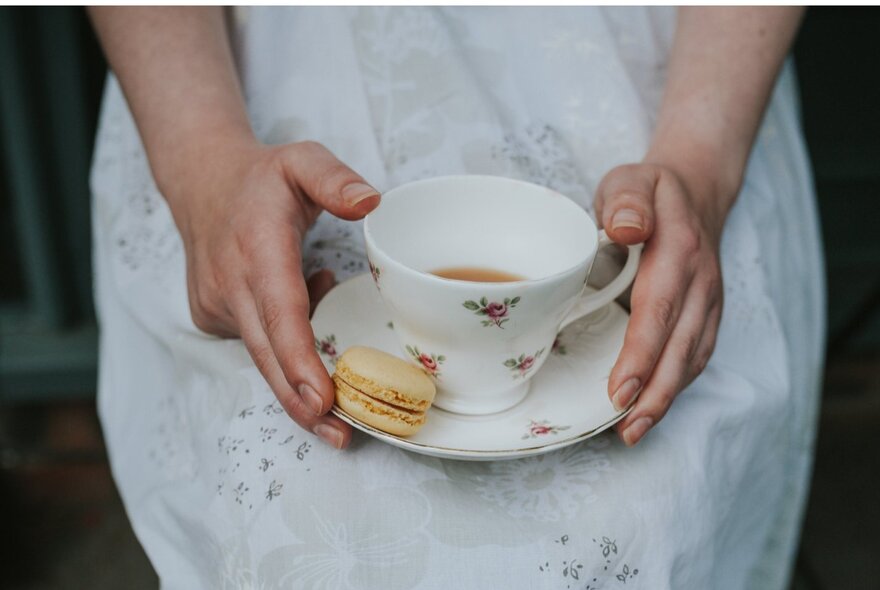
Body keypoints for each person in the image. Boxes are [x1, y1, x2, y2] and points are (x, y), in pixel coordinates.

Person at [88, 6, 824, 589]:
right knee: (317, 514)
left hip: (684, 82)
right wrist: (204, 170)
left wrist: (700, 168)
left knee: (644, 502)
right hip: (224, 84)